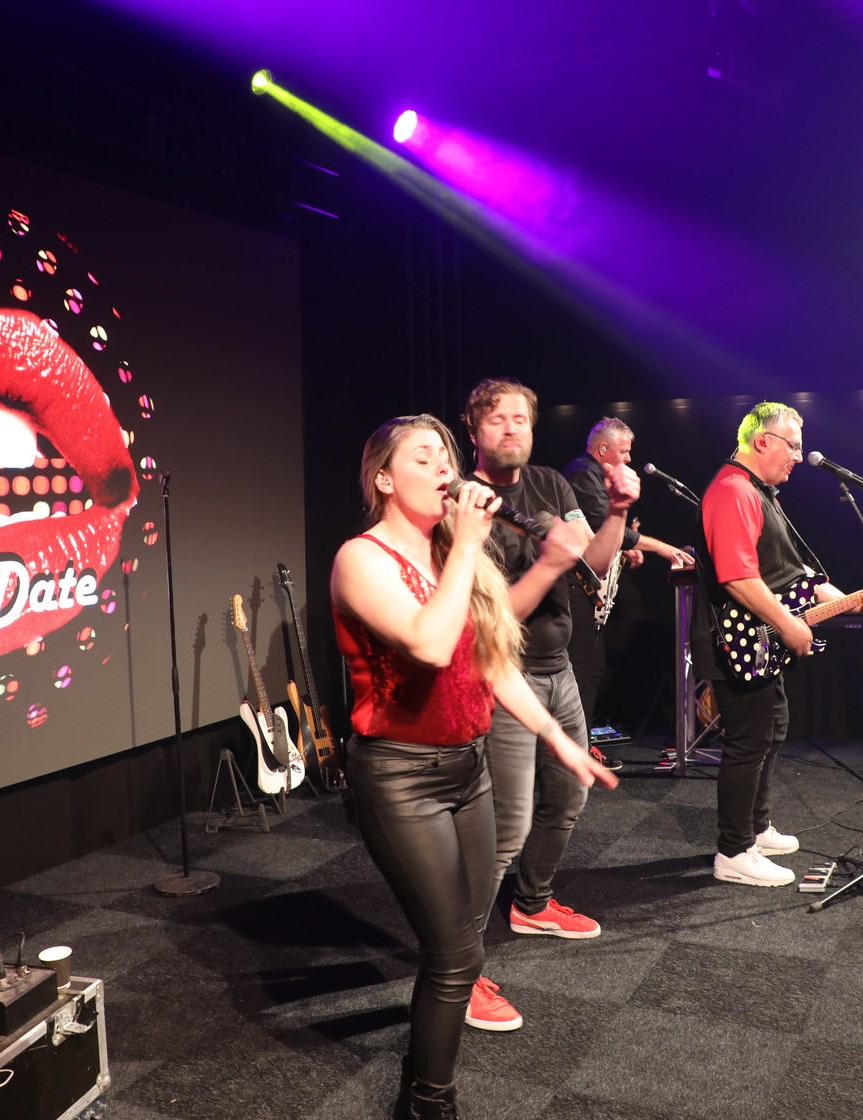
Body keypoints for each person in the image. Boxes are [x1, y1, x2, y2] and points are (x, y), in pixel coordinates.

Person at [331, 414, 617, 1120]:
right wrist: (464, 546)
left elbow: (490, 658)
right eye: (424, 457)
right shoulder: (361, 559)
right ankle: (430, 1102)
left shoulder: (454, 555)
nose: (444, 468)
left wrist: (556, 736)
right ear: (383, 479)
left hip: (468, 768)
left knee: (465, 946)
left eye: (446, 457)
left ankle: (422, 1078)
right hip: (400, 778)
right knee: (455, 956)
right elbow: (430, 646)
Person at [464, 379, 635, 1028]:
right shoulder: (467, 504)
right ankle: (460, 968)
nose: (512, 429)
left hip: (558, 666)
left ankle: (532, 905)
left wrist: (616, 511)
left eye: (522, 419)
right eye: (498, 420)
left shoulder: (551, 485)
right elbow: (491, 621)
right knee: (506, 829)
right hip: (503, 675)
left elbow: (592, 564)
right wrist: (547, 565)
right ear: (474, 431)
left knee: (569, 796)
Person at [690, 402, 857, 886]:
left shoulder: (759, 493)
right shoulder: (733, 491)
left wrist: (842, 599)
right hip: (738, 642)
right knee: (748, 742)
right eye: (794, 446)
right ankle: (733, 851)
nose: (799, 457)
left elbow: (787, 569)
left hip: (760, 640)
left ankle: (755, 828)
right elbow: (738, 577)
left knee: (771, 729)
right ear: (762, 441)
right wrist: (789, 625)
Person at [562, 416, 695, 769]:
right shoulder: (582, 473)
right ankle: (575, 750)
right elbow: (599, 523)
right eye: (623, 451)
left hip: (588, 590)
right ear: (602, 449)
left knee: (592, 669)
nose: (629, 458)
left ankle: (581, 744)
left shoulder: (593, 475)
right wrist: (660, 547)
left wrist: (623, 550)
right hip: (574, 588)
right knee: (583, 670)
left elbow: (604, 536)